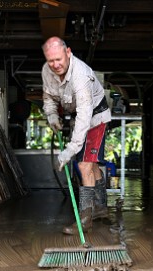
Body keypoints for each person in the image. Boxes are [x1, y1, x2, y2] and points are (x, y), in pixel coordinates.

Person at [41, 37, 112, 235]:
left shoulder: (80, 76)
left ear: (68, 52)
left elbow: (84, 118)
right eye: (50, 61)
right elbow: (48, 96)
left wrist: (70, 150)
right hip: (78, 118)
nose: (55, 65)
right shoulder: (47, 71)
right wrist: (52, 115)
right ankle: (100, 208)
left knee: (84, 165)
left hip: (95, 117)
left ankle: (85, 220)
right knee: (92, 164)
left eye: (58, 59)